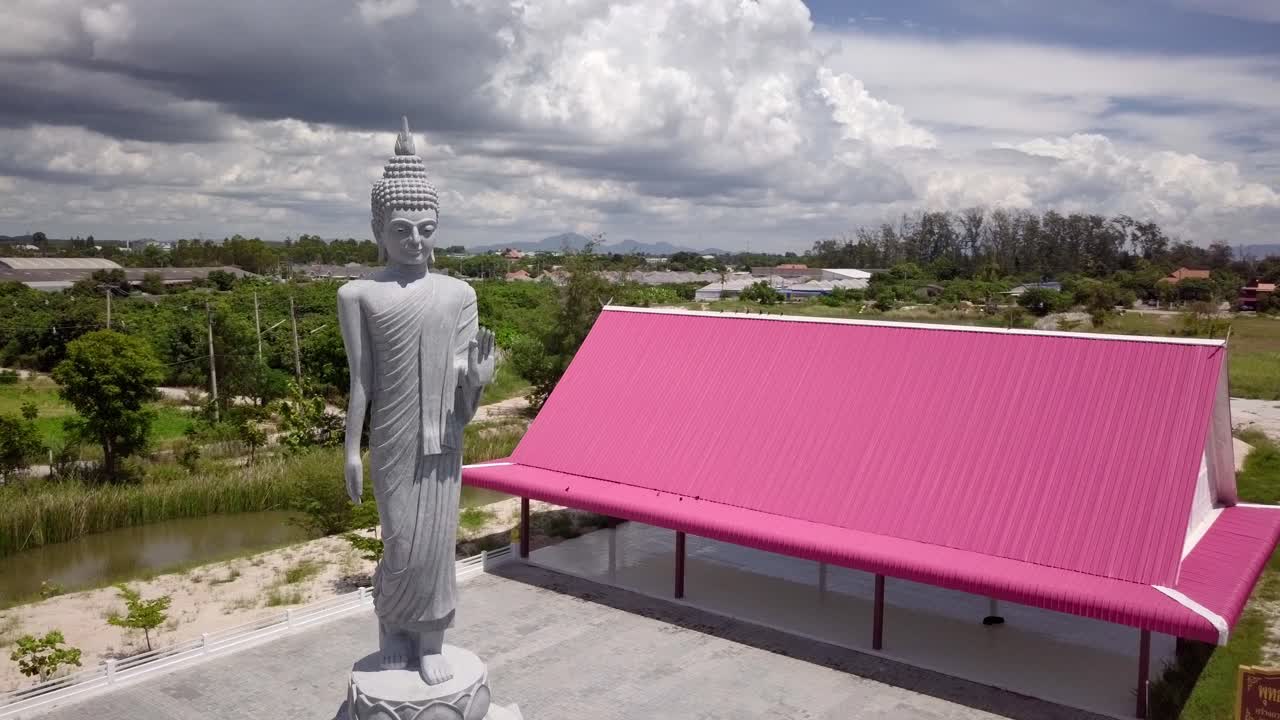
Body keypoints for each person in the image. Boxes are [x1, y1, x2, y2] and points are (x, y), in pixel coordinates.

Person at [338, 117, 495, 686]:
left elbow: (462, 369)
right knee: (399, 542)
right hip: (392, 437)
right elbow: (362, 382)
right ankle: (391, 634)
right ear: (378, 227)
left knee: (435, 548)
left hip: (442, 436)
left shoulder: (459, 293)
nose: (415, 241)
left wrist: (475, 378)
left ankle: (431, 642)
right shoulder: (358, 294)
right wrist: (351, 451)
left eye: (425, 229)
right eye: (402, 229)